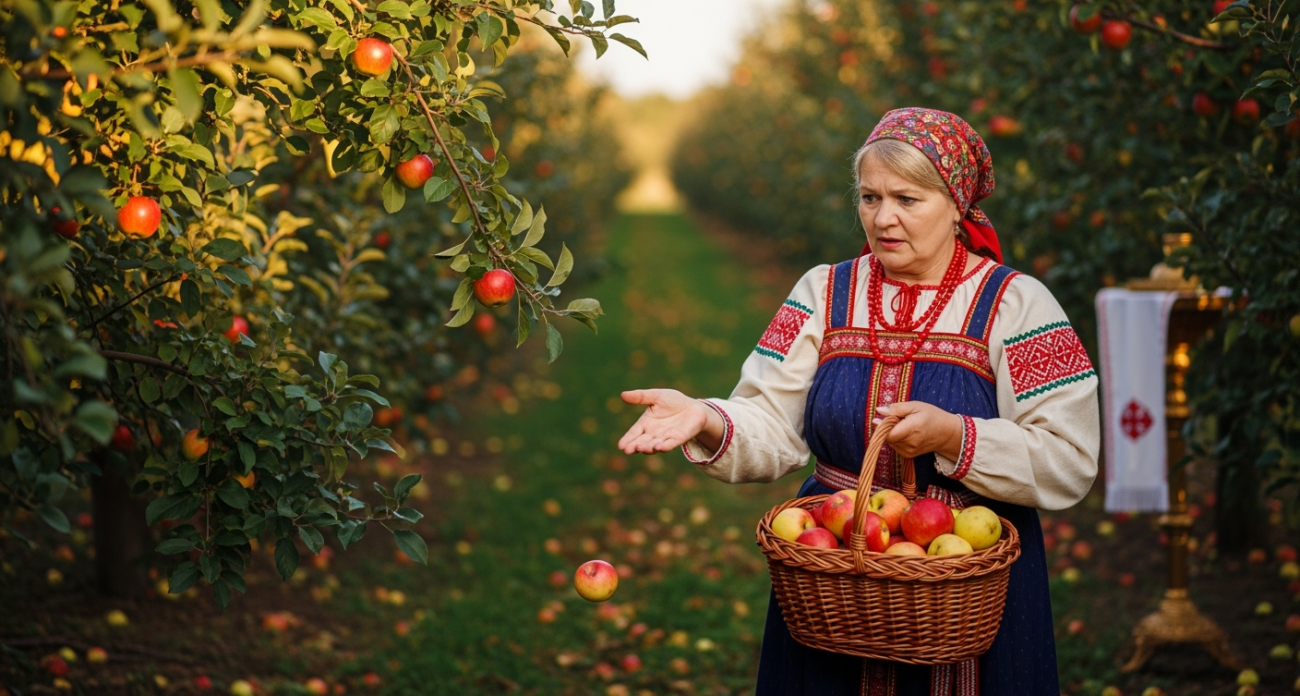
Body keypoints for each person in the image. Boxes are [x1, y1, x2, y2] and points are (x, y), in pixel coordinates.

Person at [616, 108, 1099, 696]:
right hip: (834, 576)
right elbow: (772, 417)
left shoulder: (1019, 305)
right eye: (869, 198)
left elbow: (1069, 458)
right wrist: (708, 419)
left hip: (967, 582)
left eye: (907, 199)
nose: (884, 218)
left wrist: (955, 437)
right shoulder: (824, 290)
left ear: (957, 205)